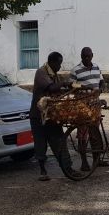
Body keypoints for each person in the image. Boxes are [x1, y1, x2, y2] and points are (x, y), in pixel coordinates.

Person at [30, 51, 77, 181]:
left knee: (60, 142)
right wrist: (65, 84)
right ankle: (42, 171)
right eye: (59, 63)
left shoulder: (55, 75)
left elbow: (59, 89)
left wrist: (72, 88)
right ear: (52, 62)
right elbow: (51, 88)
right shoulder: (41, 72)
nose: (60, 66)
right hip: (38, 115)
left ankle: (68, 169)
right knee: (40, 144)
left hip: (52, 115)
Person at [71, 47, 108, 171]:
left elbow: (102, 82)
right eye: (84, 56)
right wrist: (82, 90)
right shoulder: (76, 70)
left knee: (94, 133)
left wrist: (100, 89)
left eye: (88, 56)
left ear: (92, 55)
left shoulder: (97, 67)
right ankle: (84, 162)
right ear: (81, 56)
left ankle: (97, 160)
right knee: (82, 135)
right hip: (82, 106)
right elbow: (71, 87)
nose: (86, 58)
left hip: (95, 105)